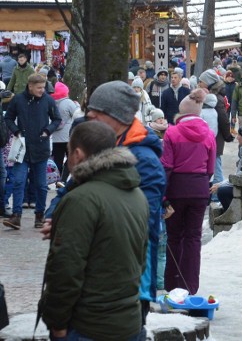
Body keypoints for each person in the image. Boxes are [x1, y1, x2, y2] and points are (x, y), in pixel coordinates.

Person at [40, 121, 149, 341]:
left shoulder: (82, 199)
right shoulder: (136, 194)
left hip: (89, 326)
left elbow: (65, 269)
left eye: (69, 152)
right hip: (128, 321)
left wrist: (57, 324)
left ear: (77, 154)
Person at [85, 80, 167, 320]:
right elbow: (72, 187)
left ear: (117, 116)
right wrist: (55, 214)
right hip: (101, 267)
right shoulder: (99, 146)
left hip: (131, 275)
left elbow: (143, 221)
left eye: (97, 112)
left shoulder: (144, 159)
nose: (90, 115)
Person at [160, 88, 216, 294]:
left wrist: (163, 196)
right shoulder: (209, 135)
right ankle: (190, 285)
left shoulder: (172, 132)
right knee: (193, 238)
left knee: (174, 237)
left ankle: (173, 284)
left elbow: (166, 166)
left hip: (176, 189)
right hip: (199, 189)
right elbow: (210, 168)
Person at [3, 73, 60, 230]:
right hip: (22, 149)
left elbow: (57, 119)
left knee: (41, 185)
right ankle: (16, 216)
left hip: (41, 149)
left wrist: (47, 131)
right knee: (19, 181)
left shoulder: (48, 100)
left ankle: (39, 215)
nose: (42, 90)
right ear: (30, 86)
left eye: (43, 87)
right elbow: (8, 118)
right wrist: (16, 131)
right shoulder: (18, 100)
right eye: (39, 87)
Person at [51, 81, 80, 181]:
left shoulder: (51, 103)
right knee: (71, 159)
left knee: (57, 160)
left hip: (55, 138)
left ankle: (57, 180)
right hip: (67, 137)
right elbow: (77, 115)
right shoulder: (68, 102)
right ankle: (66, 179)